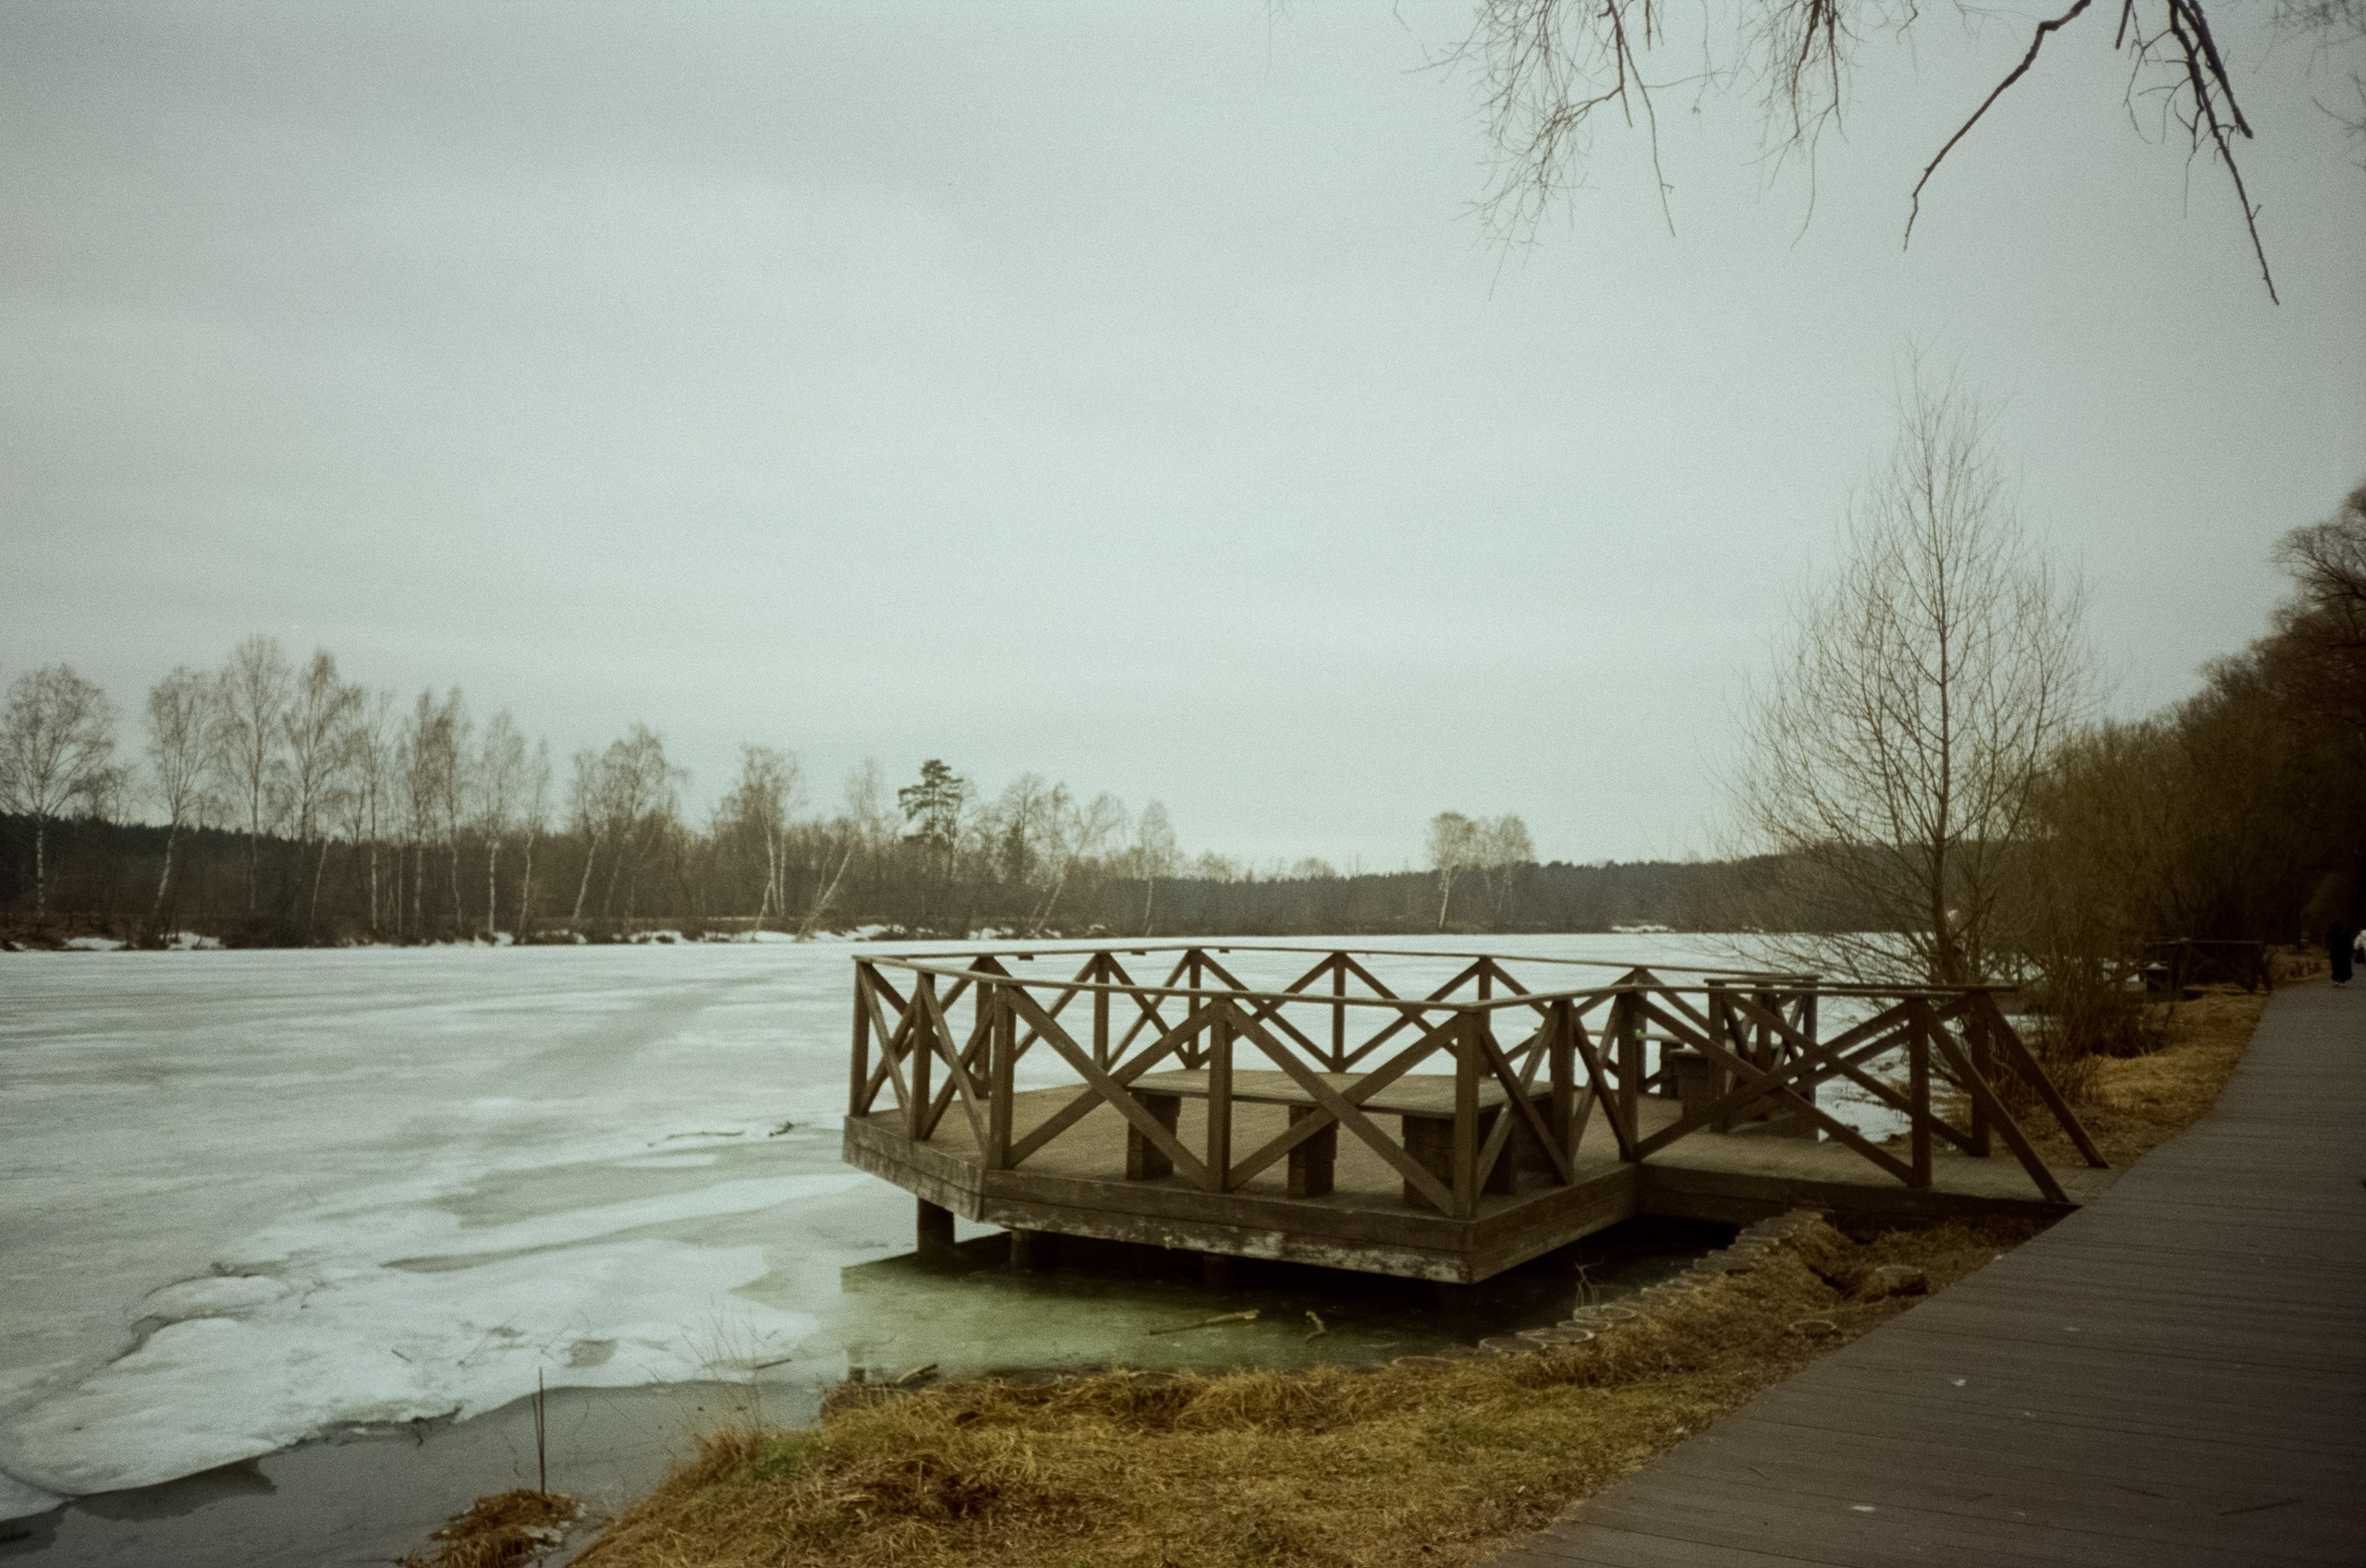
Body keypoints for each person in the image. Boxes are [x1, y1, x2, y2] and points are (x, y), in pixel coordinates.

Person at [2332, 922, 2355, 988]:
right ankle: (2340, 980)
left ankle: (2337, 980)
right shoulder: (2345, 933)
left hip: (2337, 952)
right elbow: (2349, 943)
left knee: (2337, 966)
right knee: (2342, 967)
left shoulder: (2335, 933)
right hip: (2343, 953)